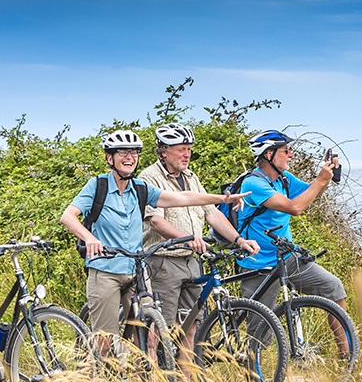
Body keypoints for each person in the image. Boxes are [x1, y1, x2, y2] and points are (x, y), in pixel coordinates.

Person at [59, 129, 248, 350]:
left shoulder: (140, 189)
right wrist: (89, 238)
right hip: (106, 270)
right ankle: (96, 379)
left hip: (135, 271)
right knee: (105, 342)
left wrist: (223, 198)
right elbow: (68, 217)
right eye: (123, 153)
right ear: (110, 158)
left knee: (148, 327)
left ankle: (144, 378)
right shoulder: (97, 185)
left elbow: (182, 198)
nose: (129, 157)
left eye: (134, 153)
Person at [138, 123, 259, 365]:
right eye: (181, 149)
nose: (186, 155)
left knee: (190, 327)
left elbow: (212, 213)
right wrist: (187, 237)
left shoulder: (191, 177)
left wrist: (238, 239)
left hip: (191, 261)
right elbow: (156, 222)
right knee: (158, 330)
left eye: (189, 149)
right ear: (163, 151)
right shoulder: (148, 178)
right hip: (163, 261)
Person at [235, 130, 347, 311]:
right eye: (285, 151)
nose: (291, 155)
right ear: (269, 154)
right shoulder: (253, 184)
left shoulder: (284, 179)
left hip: (286, 257)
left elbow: (310, 195)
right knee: (261, 329)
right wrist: (319, 180)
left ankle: (347, 341)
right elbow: (295, 208)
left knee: (333, 289)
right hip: (259, 263)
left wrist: (326, 178)